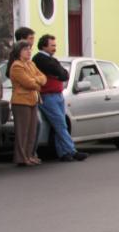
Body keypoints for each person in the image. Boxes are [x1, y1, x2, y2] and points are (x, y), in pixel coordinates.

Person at [33, 34, 87, 162]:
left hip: (57, 95)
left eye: (55, 45)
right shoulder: (40, 59)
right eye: (52, 46)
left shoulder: (52, 59)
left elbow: (64, 74)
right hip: (48, 96)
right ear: (44, 46)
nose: (54, 48)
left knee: (60, 125)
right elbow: (58, 72)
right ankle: (72, 150)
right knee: (60, 124)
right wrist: (59, 74)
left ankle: (63, 153)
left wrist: (59, 74)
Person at [7, 41, 46, 167]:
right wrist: (36, 82)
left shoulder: (31, 64)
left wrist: (36, 80)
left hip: (33, 100)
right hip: (21, 101)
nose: (29, 51)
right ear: (19, 52)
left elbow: (43, 78)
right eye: (26, 49)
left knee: (31, 130)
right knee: (22, 131)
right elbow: (28, 83)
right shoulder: (17, 66)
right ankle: (21, 157)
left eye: (30, 49)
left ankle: (29, 155)